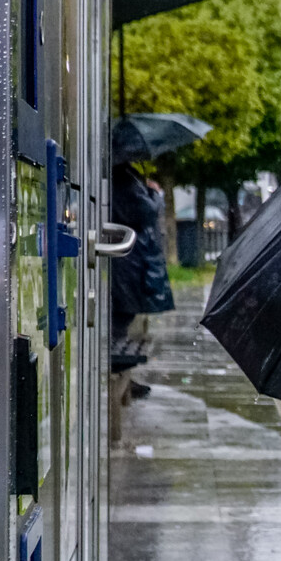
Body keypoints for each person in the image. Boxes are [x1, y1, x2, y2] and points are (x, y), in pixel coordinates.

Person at [109, 163, 173, 402]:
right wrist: (154, 193)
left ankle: (122, 371)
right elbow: (146, 211)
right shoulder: (124, 179)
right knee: (121, 316)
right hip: (129, 261)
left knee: (123, 317)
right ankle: (117, 368)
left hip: (128, 259)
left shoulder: (124, 177)